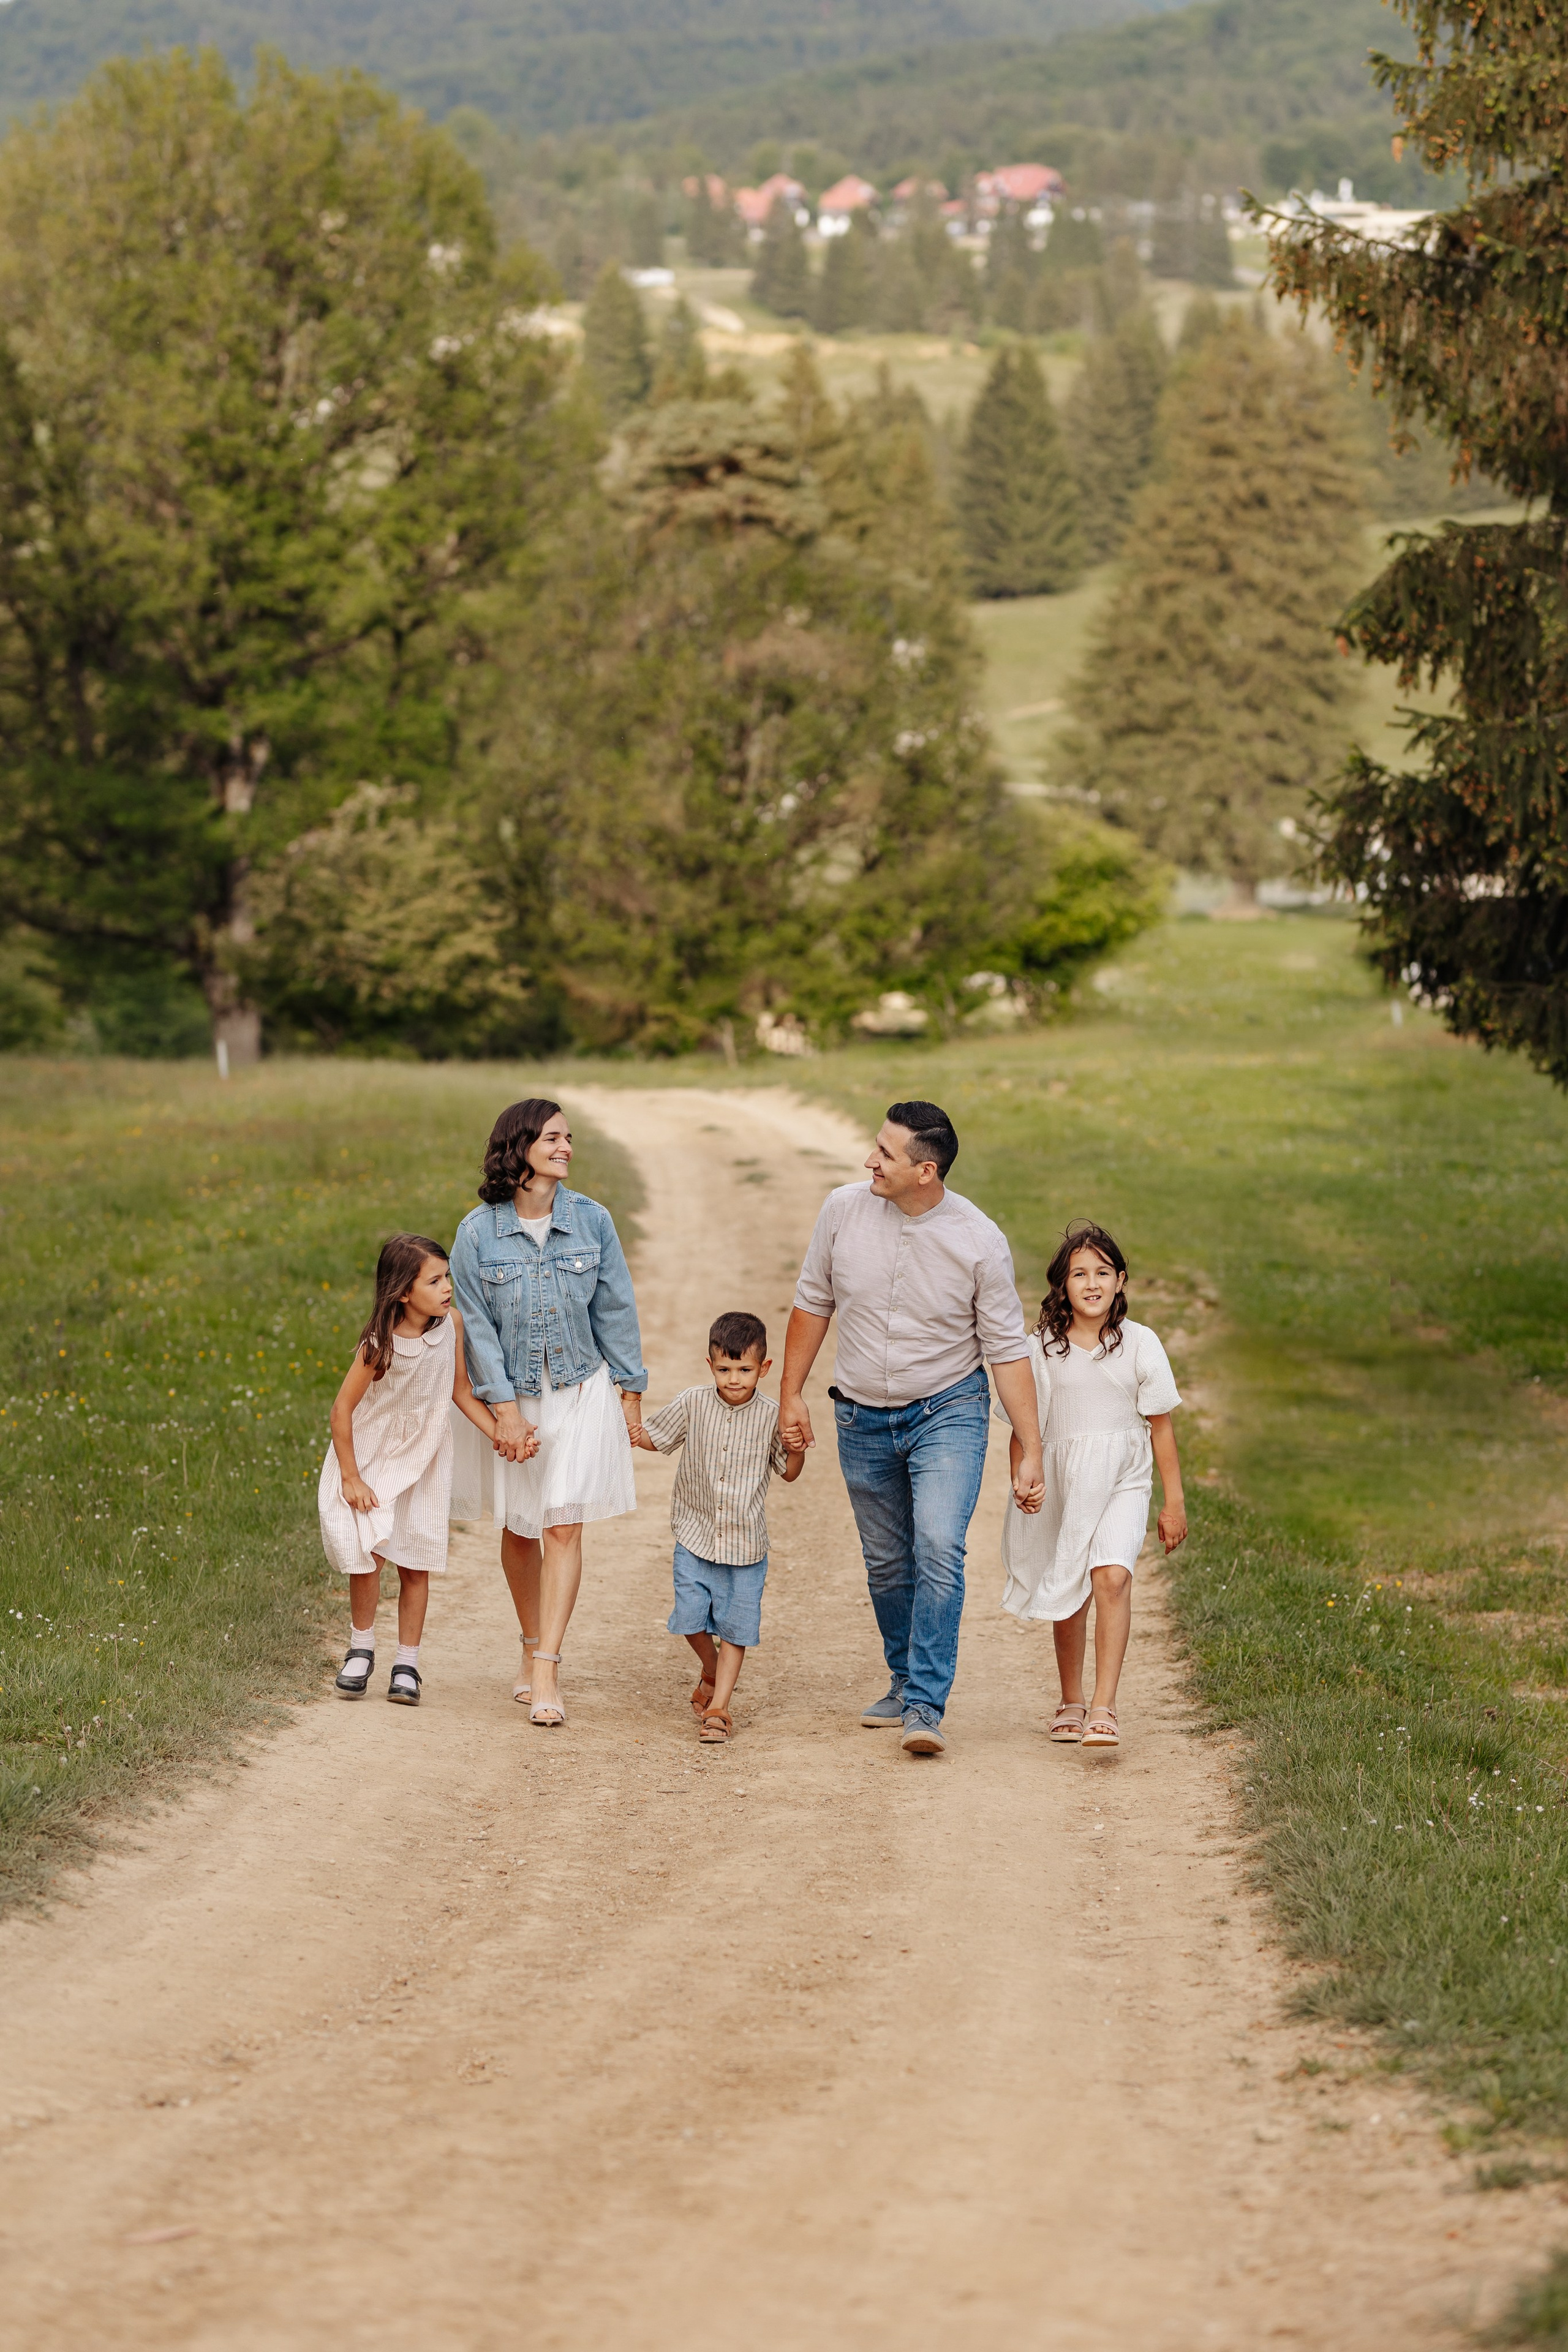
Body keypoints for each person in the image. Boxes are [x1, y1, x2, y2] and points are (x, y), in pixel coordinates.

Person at [779, 1100, 1046, 1759]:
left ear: (925, 1171)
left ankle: (925, 1702)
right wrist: (789, 1395)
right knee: (887, 1562)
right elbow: (812, 1302)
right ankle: (902, 1679)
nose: (870, 1160)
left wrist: (1030, 1446)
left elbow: (1007, 1350)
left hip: (946, 1411)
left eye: (886, 1154)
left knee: (936, 1545)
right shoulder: (842, 1211)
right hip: (859, 1413)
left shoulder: (978, 1239)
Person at [450, 1098, 647, 1728]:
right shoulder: (476, 1233)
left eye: (570, 1138)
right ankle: (529, 1641)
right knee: (519, 1529)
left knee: (562, 1524)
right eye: (555, 1137)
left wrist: (630, 1388)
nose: (567, 1147)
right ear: (521, 1145)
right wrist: (504, 1412)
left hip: (579, 1388)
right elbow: (474, 1328)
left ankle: (548, 1668)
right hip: (513, 1398)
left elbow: (616, 1309)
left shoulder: (592, 1221)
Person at [999, 1219, 1186, 1750]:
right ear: (1062, 1285)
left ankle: (1104, 1706)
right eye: (1079, 1274)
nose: (1092, 1283)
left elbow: (1161, 1428)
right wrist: (1023, 1476)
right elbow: (1024, 1426)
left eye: (1102, 1272)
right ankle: (1071, 1699)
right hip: (1061, 1478)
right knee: (1069, 1587)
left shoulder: (1140, 1344)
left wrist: (1174, 1503)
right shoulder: (1039, 1348)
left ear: (1121, 1280)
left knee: (1110, 1578)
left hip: (1123, 1479)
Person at [319, 1235, 498, 1706]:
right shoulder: (379, 1344)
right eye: (435, 1280)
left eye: (447, 1277)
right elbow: (342, 1410)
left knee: (416, 1561)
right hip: (374, 1455)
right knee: (370, 1554)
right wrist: (351, 1476)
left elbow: (461, 1392)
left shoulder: (452, 1327)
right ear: (403, 1291)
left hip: (425, 1458)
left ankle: (408, 1664)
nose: (447, 1288)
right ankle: (361, 1649)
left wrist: (499, 1432)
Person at [633, 1310, 805, 1744]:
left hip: (746, 1547)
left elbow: (789, 1472)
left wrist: (797, 1446)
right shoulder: (692, 1402)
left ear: (764, 1369)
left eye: (744, 1370)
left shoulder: (772, 1416)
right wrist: (628, 1424)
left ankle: (720, 1708)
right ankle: (709, 1668)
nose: (734, 1379)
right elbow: (657, 1437)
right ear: (710, 1364)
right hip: (695, 1535)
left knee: (735, 1629)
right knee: (689, 1621)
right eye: (725, 1369)